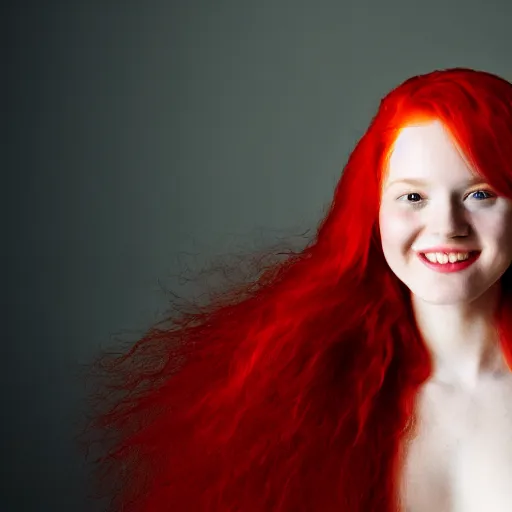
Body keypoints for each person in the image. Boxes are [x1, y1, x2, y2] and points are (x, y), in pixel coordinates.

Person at [78, 68, 512, 512]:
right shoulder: (289, 396)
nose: (447, 228)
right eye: (413, 197)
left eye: (480, 194)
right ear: (373, 211)